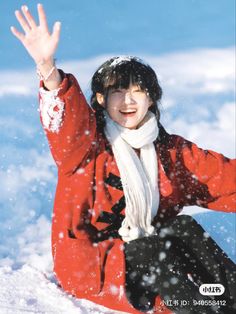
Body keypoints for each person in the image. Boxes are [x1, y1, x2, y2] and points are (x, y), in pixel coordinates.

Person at [11, 4, 236, 314]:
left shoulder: (169, 151)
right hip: (93, 264)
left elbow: (224, 179)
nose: (127, 101)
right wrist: (48, 70)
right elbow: (67, 123)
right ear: (101, 100)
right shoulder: (85, 147)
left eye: (137, 91)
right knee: (154, 248)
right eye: (117, 91)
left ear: (151, 98)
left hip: (145, 249)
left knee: (184, 228)